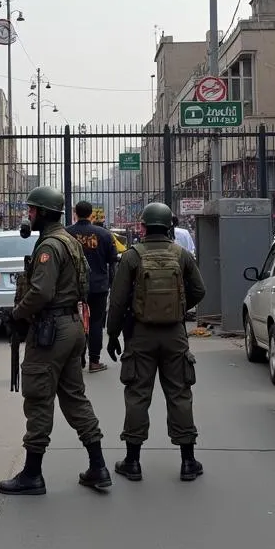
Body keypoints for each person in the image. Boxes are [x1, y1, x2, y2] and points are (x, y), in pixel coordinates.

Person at [0, 185, 111, 496]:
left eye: (32, 210)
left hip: (51, 330)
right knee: (75, 397)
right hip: (72, 326)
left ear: (44, 213)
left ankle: (32, 474)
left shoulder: (49, 246)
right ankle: (98, 466)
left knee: (38, 398)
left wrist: (17, 313)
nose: (29, 215)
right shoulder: (69, 241)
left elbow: (42, 292)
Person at [106, 201, 206, 483]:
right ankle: (188, 461)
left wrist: (113, 334)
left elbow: (117, 301)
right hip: (175, 334)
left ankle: (132, 462)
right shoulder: (182, 254)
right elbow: (199, 289)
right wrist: (179, 304)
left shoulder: (132, 257)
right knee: (180, 394)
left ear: (143, 227)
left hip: (140, 334)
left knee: (138, 395)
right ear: (170, 227)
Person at [67, 200, 118, 373]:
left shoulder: (67, 234)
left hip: (73, 287)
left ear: (75, 213)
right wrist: (112, 284)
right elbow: (113, 262)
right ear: (91, 215)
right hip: (98, 286)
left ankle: (78, 357)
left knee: (75, 321)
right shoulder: (103, 234)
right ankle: (94, 361)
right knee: (96, 322)